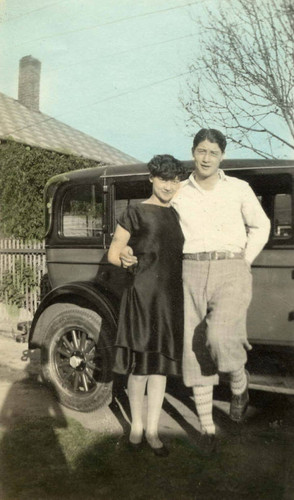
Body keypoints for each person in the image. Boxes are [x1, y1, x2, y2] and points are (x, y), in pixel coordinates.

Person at [120, 129, 270, 455]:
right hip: (190, 271)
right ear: (193, 152)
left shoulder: (239, 189)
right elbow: (152, 222)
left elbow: (262, 226)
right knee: (195, 349)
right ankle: (208, 428)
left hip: (231, 268)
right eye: (200, 151)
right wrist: (129, 251)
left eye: (212, 152)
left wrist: (245, 260)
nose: (206, 158)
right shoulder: (179, 191)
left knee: (218, 336)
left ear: (222, 156)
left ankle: (239, 384)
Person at [107, 154, 186, 457]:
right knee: (139, 368)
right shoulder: (134, 212)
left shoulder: (178, 215)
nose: (169, 185)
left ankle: (153, 430)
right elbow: (115, 252)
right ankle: (137, 427)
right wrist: (125, 257)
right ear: (152, 178)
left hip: (169, 300)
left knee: (160, 368)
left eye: (175, 179)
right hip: (141, 296)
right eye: (164, 178)